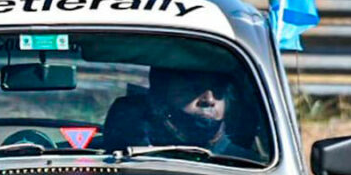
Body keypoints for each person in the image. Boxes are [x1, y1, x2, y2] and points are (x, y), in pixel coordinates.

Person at [103, 67, 256, 158]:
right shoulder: (120, 160)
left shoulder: (248, 166)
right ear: (160, 100)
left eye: (218, 90)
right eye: (194, 89)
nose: (209, 100)